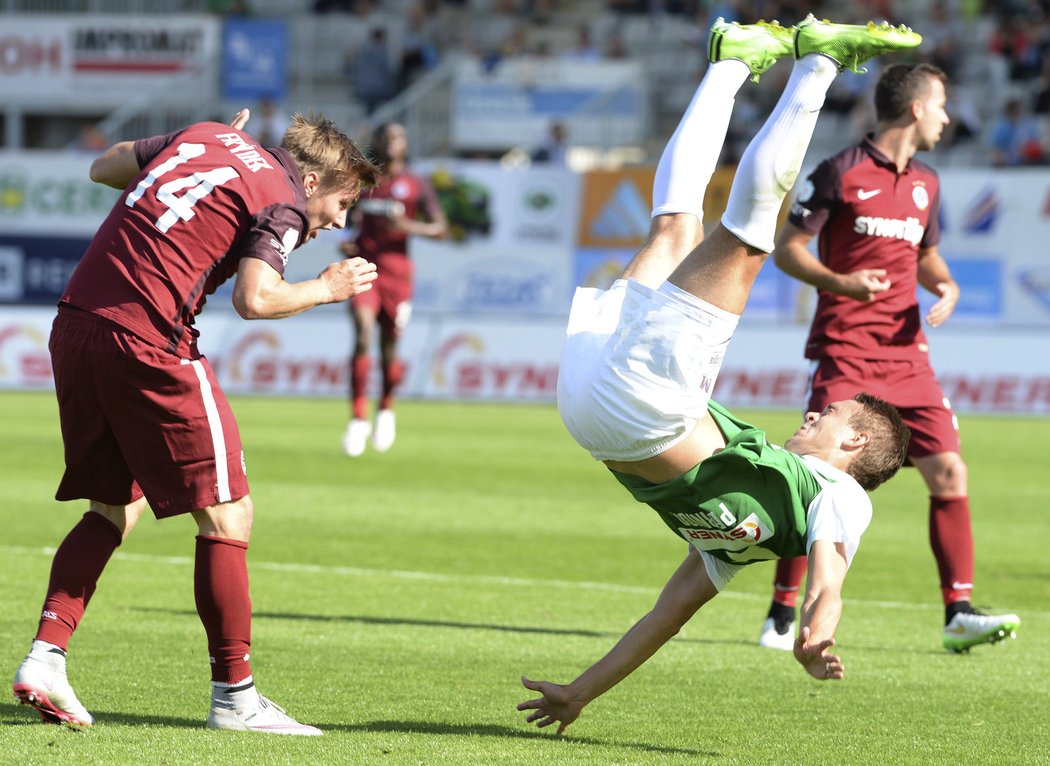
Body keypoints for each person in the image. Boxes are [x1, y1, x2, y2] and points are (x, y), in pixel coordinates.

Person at [517, 16, 919, 734]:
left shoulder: (842, 498)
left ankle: (819, 62)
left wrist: (817, 629)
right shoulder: (739, 543)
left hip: (643, 404)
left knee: (746, 238)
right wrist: (582, 691)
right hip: (587, 404)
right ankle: (731, 63)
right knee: (674, 228)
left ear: (854, 446)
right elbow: (664, 618)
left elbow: (830, 580)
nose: (814, 414)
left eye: (830, 415)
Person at [12, 109, 380, 734]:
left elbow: (104, 166)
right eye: (343, 203)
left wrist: (198, 143)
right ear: (312, 180)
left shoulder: (206, 135)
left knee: (114, 506)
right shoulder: (284, 200)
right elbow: (256, 298)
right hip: (148, 341)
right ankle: (235, 697)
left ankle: (45, 660)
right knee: (229, 512)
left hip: (75, 326)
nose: (339, 222)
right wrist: (327, 287)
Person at [756, 62, 1021, 654]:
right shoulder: (839, 173)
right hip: (847, 350)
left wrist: (947, 286)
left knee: (950, 472)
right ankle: (781, 610)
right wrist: (842, 283)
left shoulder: (927, 181)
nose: (949, 117)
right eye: (943, 104)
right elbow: (789, 250)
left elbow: (926, 255)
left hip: (908, 356)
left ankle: (958, 613)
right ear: (917, 108)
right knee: (818, 478)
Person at [340, 121, 448, 456]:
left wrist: (406, 226)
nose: (391, 141)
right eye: (385, 136)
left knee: (389, 352)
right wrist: (348, 242)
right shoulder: (364, 179)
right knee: (361, 333)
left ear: (405, 144)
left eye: (398, 136)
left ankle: (386, 408)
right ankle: (358, 418)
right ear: (376, 140)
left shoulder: (415, 183)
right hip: (364, 269)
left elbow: (441, 227)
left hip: (398, 277)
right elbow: (344, 216)